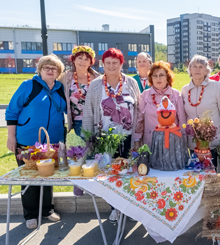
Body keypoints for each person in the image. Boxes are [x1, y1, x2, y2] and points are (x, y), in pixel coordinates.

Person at [6, 54, 66, 229]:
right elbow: (11, 112)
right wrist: (11, 138)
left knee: (48, 176)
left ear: (58, 72)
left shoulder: (61, 89)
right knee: (29, 177)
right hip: (27, 142)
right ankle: (30, 214)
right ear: (40, 70)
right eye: (46, 67)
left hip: (51, 143)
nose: (50, 70)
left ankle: (47, 210)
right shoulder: (28, 86)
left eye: (53, 68)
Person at [82, 48, 140, 222]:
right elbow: (88, 113)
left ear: (122, 64)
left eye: (115, 62)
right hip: (105, 139)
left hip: (128, 137)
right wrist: (89, 140)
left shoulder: (131, 83)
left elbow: (139, 110)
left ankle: (131, 207)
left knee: (130, 172)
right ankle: (115, 207)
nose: (112, 66)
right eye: (108, 63)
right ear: (103, 64)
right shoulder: (95, 85)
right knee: (110, 175)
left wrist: (138, 136)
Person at [181, 55, 220, 167]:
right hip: (192, 143)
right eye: (194, 66)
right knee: (194, 175)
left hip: (213, 143)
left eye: (201, 67)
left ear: (206, 70)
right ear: (190, 70)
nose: (197, 69)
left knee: (211, 176)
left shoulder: (215, 87)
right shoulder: (185, 90)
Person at [135, 61, 186, 147]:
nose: (158, 78)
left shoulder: (176, 95)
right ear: (151, 78)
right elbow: (139, 120)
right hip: (150, 142)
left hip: (172, 142)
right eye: (155, 75)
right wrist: (136, 140)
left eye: (161, 75)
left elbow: (182, 120)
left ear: (168, 77)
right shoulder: (145, 95)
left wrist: (184, 142)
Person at [59, 45, 99, 137]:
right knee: (85, 148)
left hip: (96, 120)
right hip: (78, 121)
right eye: (80, 58)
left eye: (86, 59)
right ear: (74, 60)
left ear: (90, 62)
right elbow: (51, 83)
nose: (83, 62)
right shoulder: (65, 77)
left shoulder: (97, 77)